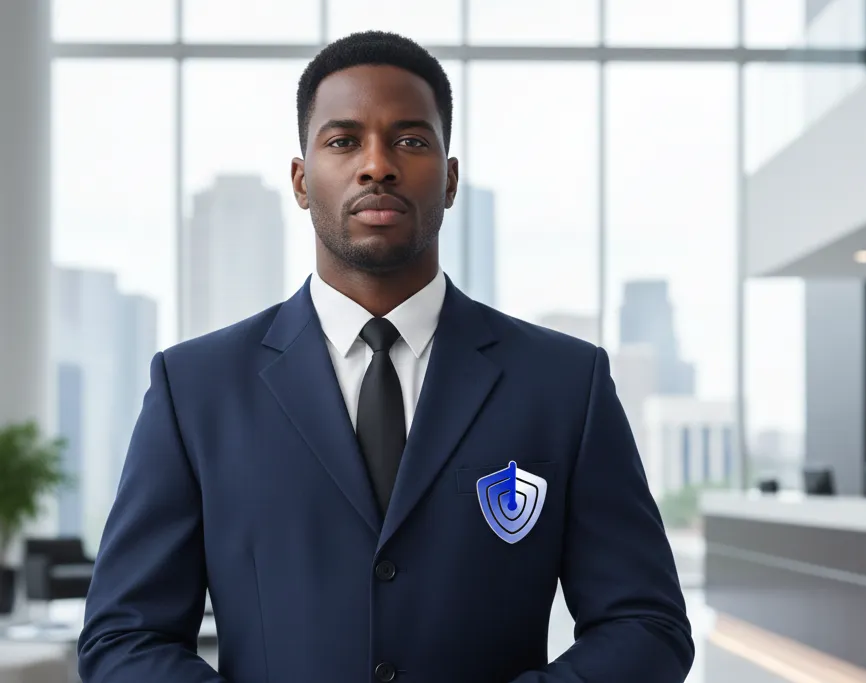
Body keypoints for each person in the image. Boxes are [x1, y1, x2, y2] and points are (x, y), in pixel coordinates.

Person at [77, 30, 694, 683]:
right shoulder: (195, 389)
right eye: (343, 141)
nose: (378, 165)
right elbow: (123, 636)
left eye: (411, 140)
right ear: (301, 179)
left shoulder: (566, 384)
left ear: (451, 179)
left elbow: (646, 624)